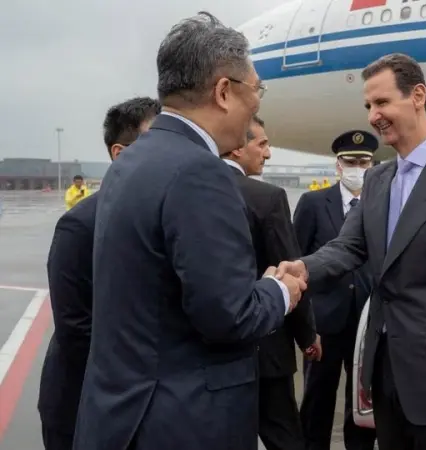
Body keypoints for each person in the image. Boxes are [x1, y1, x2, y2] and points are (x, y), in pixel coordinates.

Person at [72, 12, 306, 450]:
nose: (256, 107)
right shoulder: (200, 172)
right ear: (223, 91)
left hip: (124, 419)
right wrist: (280, 290)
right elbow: (229, 316)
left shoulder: (132, 161)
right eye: (256, 91)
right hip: (183, 423)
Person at [275, 53, 426, 450]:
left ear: (418, 96)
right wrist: (303, 268)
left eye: (382, 102)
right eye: (368, 105)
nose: (373, 116)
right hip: (383, 373)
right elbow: (348, 246)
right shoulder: (378, 179)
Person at [37, 97, 161, 450]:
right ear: (120, 154)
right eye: (156, 141)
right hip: (83, 405)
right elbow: (75, 328)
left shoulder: (166, 215)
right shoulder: (79, 226)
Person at [222, 114, 319, 450]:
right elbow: (288, 272)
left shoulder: (189, 190)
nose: (268, 153)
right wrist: (308, 336)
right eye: (261, 144)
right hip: (266, 347)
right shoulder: (267, 198)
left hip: (210, 353)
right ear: (237, 147)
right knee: (284, 438)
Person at [295, 130, 378, 450]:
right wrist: (305, 326)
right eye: (350, 162)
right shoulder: (313, 203)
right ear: (338, 165)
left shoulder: (379, 205)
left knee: (361, 399)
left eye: (363, 162)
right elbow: (299, 259)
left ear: (372, 165)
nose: (357, 168)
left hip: (365, 322)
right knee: (317, 399)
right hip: (324, 323)